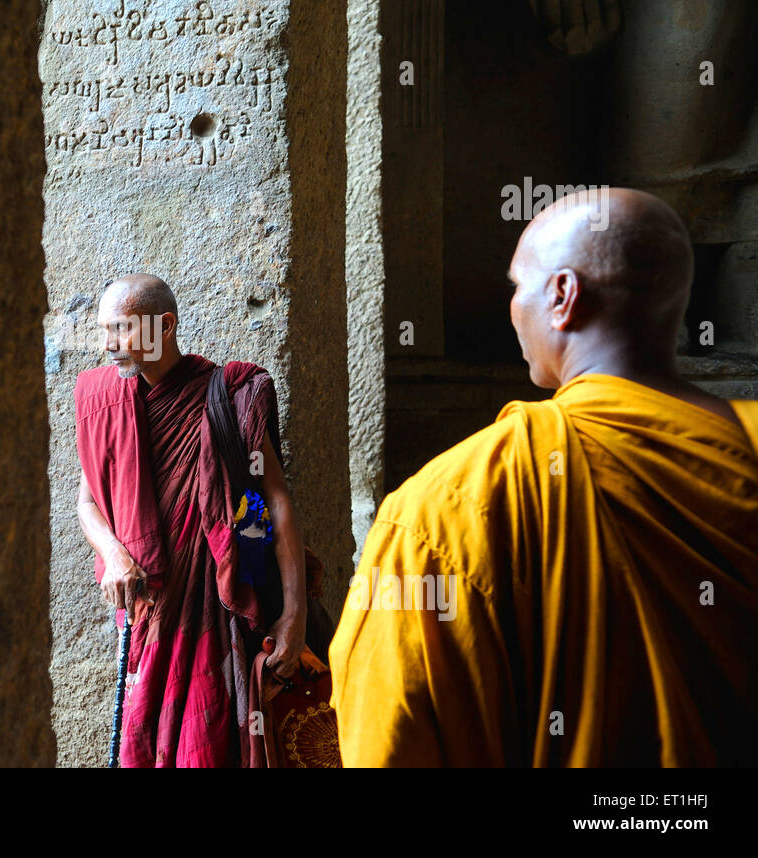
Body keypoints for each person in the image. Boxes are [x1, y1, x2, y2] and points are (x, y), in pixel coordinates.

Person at [329, 188, 758, 766]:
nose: (512, 305)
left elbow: (392, 739)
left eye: (516, 286)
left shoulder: (450, 506)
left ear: (562, 296)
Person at [75, 274, 309, 767]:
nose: (108, 345)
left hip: (215, 612)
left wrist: (294, 614)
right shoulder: (108, 405)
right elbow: (88, 502)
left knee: (210, 743)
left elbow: (277, 502)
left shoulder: (231, 395)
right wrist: (114, 554)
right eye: (103, 331)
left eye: (121, 330)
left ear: (166, 325)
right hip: (147, 615)